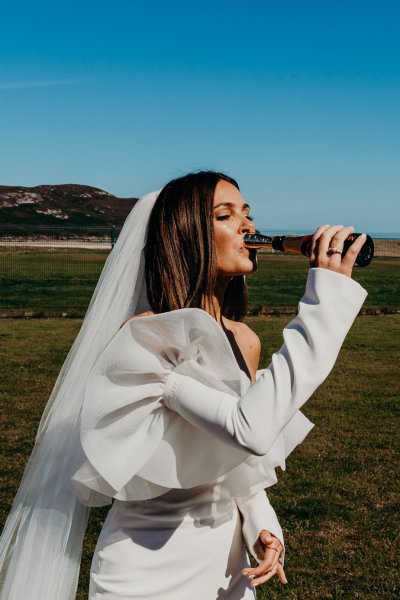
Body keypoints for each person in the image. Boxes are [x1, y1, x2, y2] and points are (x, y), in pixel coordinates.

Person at [0, 171, 367, 600]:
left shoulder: (244, 339)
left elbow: (236, 461)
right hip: (143, 572)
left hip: (227, 573)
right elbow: (248, 429)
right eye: (225, 215)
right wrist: (327, 305)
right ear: (185, 235)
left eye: (247, 214)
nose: (248, 227)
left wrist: (262, 523)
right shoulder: (144, 339)